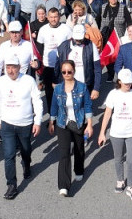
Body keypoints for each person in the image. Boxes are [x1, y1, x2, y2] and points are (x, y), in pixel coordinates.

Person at [0, 55, 44, 200]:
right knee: (8, 155)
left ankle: (26, 164)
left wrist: (38, 121)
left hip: (25, 124)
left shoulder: (28, 80)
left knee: (26, 150)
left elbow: (37, 101)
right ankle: (11, 185)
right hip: (7, 124)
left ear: (19, 68)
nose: (10, 71)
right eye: (7, 67)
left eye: (13, 68)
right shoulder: (1, 81)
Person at [98, 69, 132, 201]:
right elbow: (107, 114)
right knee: (118, 158)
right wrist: (102, 133)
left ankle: (131, 186)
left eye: (130, 82)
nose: (128, 85)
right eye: (125, 83)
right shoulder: (113, 94)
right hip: (116, 132)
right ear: (119, 81)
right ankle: (120, 180)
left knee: (131, 161)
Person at [49, 59, 94, 197]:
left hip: (79, 122)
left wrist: (90, 124)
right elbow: (54, 107)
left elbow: (87, 106)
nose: (67, 74)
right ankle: (64, 185)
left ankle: (79, 169)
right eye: (64, 72)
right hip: (63, 123)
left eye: (69, 71)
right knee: (64, 153)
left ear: (74, 71)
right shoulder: (57, 89)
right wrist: (51, 122)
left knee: (79, 149)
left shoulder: (82, 87)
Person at [36, 8, 72, 110]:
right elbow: (39, 48)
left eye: (55, 17)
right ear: (48, 17)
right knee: (49, 91)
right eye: (51, 17)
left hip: (63, 66)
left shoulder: (66, 29)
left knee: (64, 91)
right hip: (48, 65)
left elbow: (71, 46)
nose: (53, 19)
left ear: (59, 17)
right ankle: (52, 115)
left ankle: (64, 113)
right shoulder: (43, 30)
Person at [54, 24, 101, 100]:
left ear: (85, 34)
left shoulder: (91, 46)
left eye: (80, 38)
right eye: (76, 38)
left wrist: (96, 88)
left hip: (85, 85)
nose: (78, 41)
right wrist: (55, 81)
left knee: (86, 110)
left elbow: (97, 69)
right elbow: (57, 67)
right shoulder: (63, 46)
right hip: (67, 86)